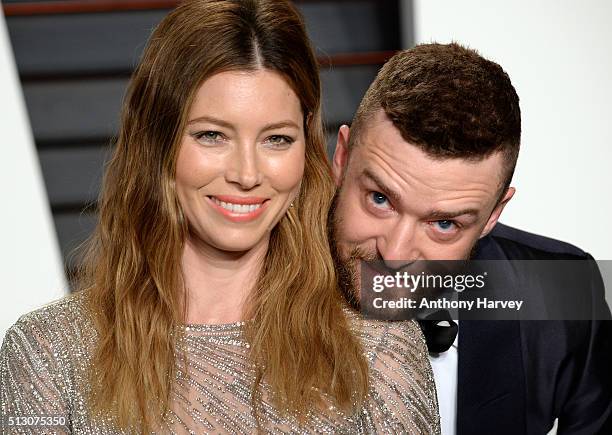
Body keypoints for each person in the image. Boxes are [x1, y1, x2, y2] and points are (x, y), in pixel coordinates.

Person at [0, 1, 439, 433]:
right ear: (157, 143)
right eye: (212, 135)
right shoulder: (47, 354)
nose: (246, 174)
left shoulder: (378, 352)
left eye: (277, 139)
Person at [329, 42, 612, 434]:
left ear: (493, 214)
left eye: (444, 224)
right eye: (380, 200)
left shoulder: (562, 294)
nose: (394, 255)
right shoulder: (243, 278)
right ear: (341, 159)